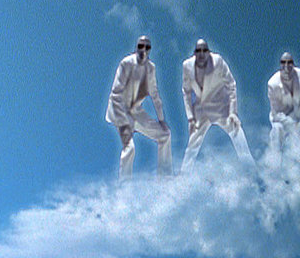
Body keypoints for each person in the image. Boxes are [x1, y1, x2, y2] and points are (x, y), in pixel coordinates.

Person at [180, 39, 255, 174]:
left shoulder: (218, 61)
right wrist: (190, 118)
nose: (201, 54)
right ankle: (183, 177)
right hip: (201, 110)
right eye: (198, 51)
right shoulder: (187, 66)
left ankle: (252, 171)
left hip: (221, 107)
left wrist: (233, 112)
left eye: (204, 50)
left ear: (209, 52)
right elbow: (186, 92)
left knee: (237, 133)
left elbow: (231, 85)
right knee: (192, 145)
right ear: (194, 53)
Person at [106, 35, 172, 178]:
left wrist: (161, 120)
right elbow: (115, 94)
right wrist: (125, 120)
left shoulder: (151, 68)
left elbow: (155, 95)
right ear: (136, 48)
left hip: (136, 111)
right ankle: (124, 186)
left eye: (147, 47)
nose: (143, 50)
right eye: (140, 46)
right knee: (130, 149)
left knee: (165, 135)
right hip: (119, 109)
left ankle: (165, 178)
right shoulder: (126, 63)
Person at [267, 52, 300, 158]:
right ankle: (274, 160)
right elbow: (276, 113)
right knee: (277, 132)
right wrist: (292, 125)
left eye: (289, 63)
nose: (286, 66)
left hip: (299, 114)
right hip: (281, 118)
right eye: (283, 63)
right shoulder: (272, 84)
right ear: (280, 65)